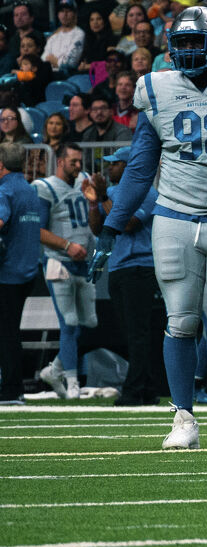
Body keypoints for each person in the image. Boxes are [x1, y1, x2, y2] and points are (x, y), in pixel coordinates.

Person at [88, 7, 207, 448]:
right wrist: (111, 229)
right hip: (174, 217)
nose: (191, 50)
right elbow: (140, 169)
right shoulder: (156, 88)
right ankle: (183, 418)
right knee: (180, 320)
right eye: (184, 42)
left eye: (199, 41)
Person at [2, 143, 88, 404]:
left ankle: (11, 389)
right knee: (10, 331)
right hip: (28, 270)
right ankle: (17, 385)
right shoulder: (30, 189)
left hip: (7, 272)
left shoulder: (6, 190)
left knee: (7, 333)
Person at [31, 143, 100, 399]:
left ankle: (53, 370)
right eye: (73, 161)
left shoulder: (83, 181)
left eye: (80, 161)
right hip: (57, 261)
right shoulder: (44, 187)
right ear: (60, 162)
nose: (79, 166)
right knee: (69, 323)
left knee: (86, 323)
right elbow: (36, 229)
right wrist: (67, 245)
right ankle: (73, 383)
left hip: (82, 262)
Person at [99, 146, 168, 405]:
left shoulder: (148, 193)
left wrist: (102, 196)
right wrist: (95, 201)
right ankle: (147, 388)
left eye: (115, 163)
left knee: (138, 332)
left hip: (140, 267)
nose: (109, 167)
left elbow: (127, 224)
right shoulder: (114, 192)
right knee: (130, 332)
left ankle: (134, 390)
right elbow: (98, 227)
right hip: (118, 266)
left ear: (128, 167)